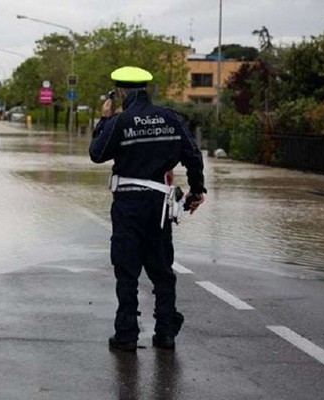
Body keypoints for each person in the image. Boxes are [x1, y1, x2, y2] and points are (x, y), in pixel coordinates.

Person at [89, 66, 206, 351]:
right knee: (162, 270)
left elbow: (97, 154)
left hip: (128, 205)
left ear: (120, 92)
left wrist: (104, 121)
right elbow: (193, 155)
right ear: (146, 89)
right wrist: (197, 191)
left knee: (126, 270)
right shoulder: (171, 118)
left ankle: (126, 334)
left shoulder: (120, 121)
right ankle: (165, 332)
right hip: (160, 206)